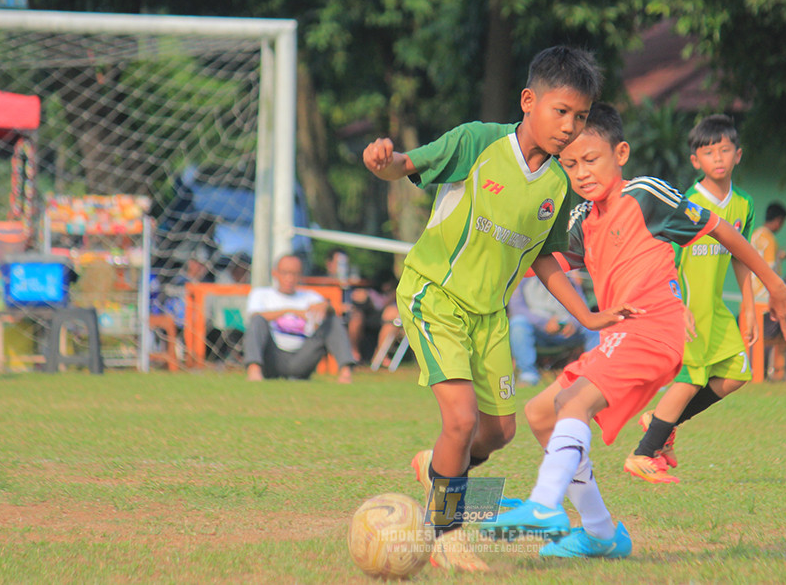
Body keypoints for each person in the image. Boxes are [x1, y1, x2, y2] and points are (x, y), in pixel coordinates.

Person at [478, 103, 786, 559]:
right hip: (617, 336)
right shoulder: (582, 220)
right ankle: (600, 533)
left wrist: (774, 283)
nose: (581, 173)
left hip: (655, 329)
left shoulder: (646, 195)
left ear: (621, 153)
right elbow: (544, 261)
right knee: (540, 414)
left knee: (573, 405)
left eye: (591, 160)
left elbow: (723, 232)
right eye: (570, 165)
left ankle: (543, 507)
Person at [362, 46, 631, 572]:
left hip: (489, 318)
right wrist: (384, 163)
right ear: (529, 101)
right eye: (562, 112)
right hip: (433, 295)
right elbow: (407, 164)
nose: (570, 127)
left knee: (497, 433)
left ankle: (439, 478)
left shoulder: (559, 182)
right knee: (460, 421)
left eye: (580, 117)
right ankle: (446, 535)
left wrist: (590, 315)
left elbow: (548, 262)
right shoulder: (478, 142)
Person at [624, 113, 757, 484]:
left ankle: (662, 422)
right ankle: (643, 452)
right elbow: (666, 259)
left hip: (716, 310)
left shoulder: (743, 205)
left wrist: (748, 306)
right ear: (695, 161)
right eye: (708, 152)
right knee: (692, 378)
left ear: (738, 155)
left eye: (724, 150)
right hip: (685, 310)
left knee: (736, 375)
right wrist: (676, 306)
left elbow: (742, 257)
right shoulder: (684, 204)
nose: (718, 158)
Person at [243, 254, 356, 384]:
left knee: (333, 321)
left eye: (294, 274)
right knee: (257, 321)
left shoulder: (311, 297)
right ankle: (254, 371)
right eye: (285, 273)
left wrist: (326, 306)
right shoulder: (261, 294)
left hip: (303, 356)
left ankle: (346, 372)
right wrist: (290, 310)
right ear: (275, 273)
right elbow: (255, 316)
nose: (289, 278)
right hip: (272, 355)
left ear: (300, 275)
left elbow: (328, 317)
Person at [508, 274, 600, 386]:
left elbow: (584, 309)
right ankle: (528, 375)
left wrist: (574, 323)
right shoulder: (522, 276)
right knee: (518, 323)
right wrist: (543, 323)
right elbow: (517, 309)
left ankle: (594, 372)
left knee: (594, 326)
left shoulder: (569, 275)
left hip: (567, 330)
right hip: (539, 331)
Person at [750, 202, 786, 301]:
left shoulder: (755, 235)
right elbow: (770, 268)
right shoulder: (770, 239)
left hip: (751, 291)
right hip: (765, 294)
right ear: (778, 220)